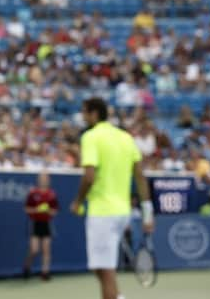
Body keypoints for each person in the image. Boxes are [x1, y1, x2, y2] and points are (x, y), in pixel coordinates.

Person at [70, 97, 154, 299]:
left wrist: (78, 202)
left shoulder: (90, 137)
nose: (82, 116)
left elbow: (89, 176)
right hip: (122, 213)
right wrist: (148, 214)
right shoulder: (126, 138)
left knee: (105, 272)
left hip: (102, 213)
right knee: (102, 270)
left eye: (84, 112)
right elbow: (140, 177)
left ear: (94, 114)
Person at [23, 171, 58, 281]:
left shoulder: (52, 194)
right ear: (38, 180)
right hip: (35, 223)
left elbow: (55, 211)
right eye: (41, 178)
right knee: (34, 249)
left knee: (46, 249)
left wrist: (48, 211)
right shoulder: (33, 193)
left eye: (45, 178)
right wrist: (37, 210)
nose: (43, 180)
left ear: (48, 180)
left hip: (46, 223)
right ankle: (27, 267)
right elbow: (26, 208)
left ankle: (45, 273)